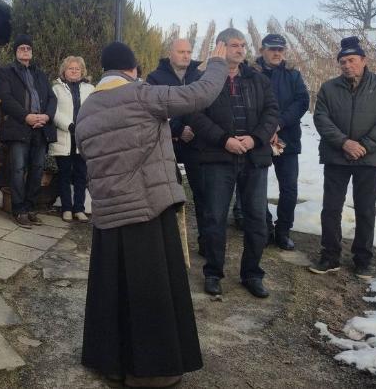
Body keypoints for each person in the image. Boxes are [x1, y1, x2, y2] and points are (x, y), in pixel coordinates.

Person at [78, 40, 228, 388]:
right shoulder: (142, 95)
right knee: (149, 290)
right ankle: (153, 371)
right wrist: (217, 65)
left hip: (108, 212)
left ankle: (112, 364)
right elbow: (198, 96)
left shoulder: (88, 108)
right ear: (132, 69)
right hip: (145, 208)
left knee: (112, 289)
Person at [186, 28, 279, 298]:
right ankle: (213, 272)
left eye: (243, 45)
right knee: (215, 217)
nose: (240, 50)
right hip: (218, 158)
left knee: (256, 219)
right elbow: (195, 114)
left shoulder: (258, 80)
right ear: (220, 47)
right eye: (234, 45)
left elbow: (272, 112)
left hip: (253, 158)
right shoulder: (203, 80)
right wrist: (224, 140)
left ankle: (252, 274)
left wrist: (255, 139)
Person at [308, 36, 376, 279]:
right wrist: (344, 143)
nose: (347, 65)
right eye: (342, 62)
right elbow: (321, 119)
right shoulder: (329, 88)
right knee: (331, 208)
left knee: (365, 209)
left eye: (351, 60)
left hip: (368, 158)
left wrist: (364, 146)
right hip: (336, 156)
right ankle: (330, 256)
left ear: (364, 60)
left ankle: (363, 259)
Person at [146, 38, 206, 252]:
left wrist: (192, 129)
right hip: (166, 143)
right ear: (170, 53)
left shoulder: (199, 77)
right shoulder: (155, 78)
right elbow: (153, 109)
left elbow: (203, 107)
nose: (186, 56)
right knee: (165, 194)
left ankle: (205, 241)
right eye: (181, 51)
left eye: (189, 51)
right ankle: (168, 243)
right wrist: (179, 130)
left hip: (196, 143)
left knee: (202, 194)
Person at [0, 34, 57, 228]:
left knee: (37, 169)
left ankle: (30, 208)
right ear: (15, 51)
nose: (25, 51)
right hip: (19, 127)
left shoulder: (40, 73)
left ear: (32, 52)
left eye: (28, 48)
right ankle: (19, 210)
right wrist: (26, 116)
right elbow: (5, 98)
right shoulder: (6, 72)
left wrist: (46, 116)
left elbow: (52, 98)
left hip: (41, 127)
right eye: (21, 48)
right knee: (18, 169)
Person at [255, 34, 310, 250]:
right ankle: (265, 227)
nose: (277, 53)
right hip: (258, 139)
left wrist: (278, 124)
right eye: (272, 49)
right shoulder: (251, 74)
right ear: (262, 50)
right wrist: (265, 129)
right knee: (256, 187)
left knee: (289, 188)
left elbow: (302, 102)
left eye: (281, 49)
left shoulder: (293, 75)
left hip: (286, 139)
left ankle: (283, 230)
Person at [49, 56, 94, 222]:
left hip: (83, 138)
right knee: (65, 175)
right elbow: (53, 112)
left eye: (77, 69)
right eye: (71, 68)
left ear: (82, 71)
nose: (74, 71)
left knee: (81, 174)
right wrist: (69, 125)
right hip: (64, 137)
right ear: (64, 71)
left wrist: (85, 126)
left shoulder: (90, 89)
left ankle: (79, 209)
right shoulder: (56, 89)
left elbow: (94, 110)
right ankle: (67, 208)